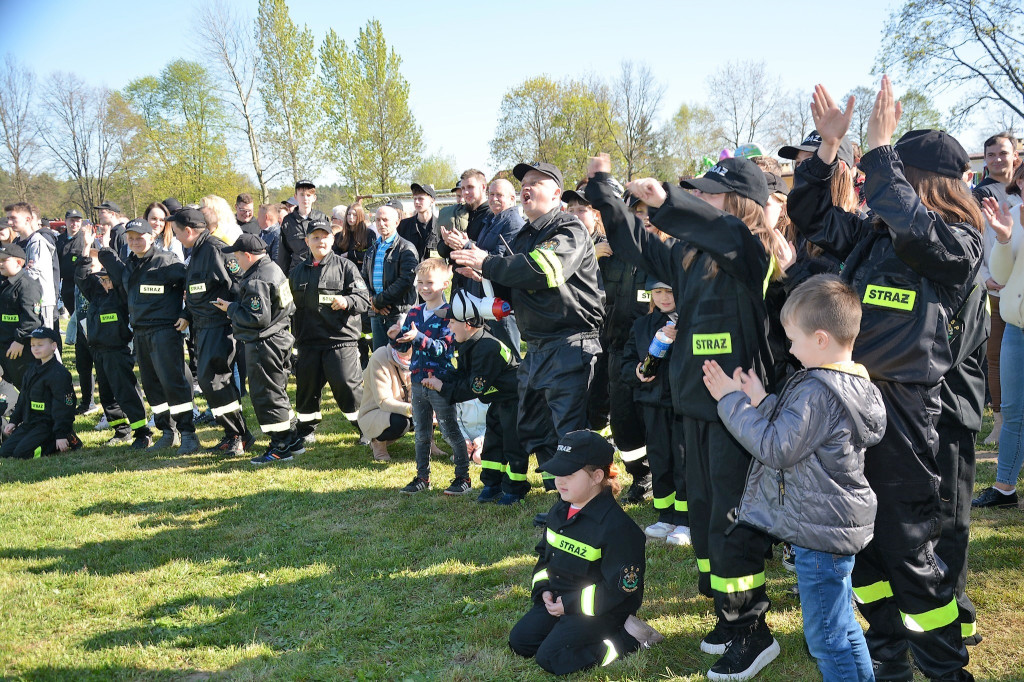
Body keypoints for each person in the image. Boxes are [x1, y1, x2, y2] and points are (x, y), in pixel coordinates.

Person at [788, 77, 979, 682]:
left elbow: (923, 235)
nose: (871, 184)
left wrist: (878, 149)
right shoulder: (874, 232)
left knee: (908, 547)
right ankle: (888, 657)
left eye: (891, 173)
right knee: (861, 543)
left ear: (923, 183)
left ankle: (946, 669)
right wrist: (826, 151)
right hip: (848, 405)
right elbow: (812, 213)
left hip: (905, 415)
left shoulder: (956, 240)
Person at [587, 153, 778, 680]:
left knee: (730, 522)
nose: (702, 201)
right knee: (704, 521)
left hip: (736, 412)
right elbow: (635, 243)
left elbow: (723, 229)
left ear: (737, 204)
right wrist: (604, 188)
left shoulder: (749, 250)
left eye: (711, 194)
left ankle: (753, 632)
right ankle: (726, 615)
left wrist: (669, 199)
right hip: (694, 404)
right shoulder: (690, 258)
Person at [704, 274, 885, 682]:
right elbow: (804, 437)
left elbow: (776, 448)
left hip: (819, 534)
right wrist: (763, 401)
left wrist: (731, 402)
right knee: (842, 625)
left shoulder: (816, 391)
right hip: (835, 524)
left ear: (820, 339)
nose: (789, 348)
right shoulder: (851, 380)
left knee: (826, 638)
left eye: (793, 339)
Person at [450, 162, 605, 497]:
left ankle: (585, 502)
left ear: (556, 193)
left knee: (569, 430)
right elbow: (514, 288)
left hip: (570, 344)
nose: (527, 187)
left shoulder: (569, 229)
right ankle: (563, 494)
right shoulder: (524, 236)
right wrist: (485, 277)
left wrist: (488, 263)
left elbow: (543, 270)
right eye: (525, 182)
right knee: (534, 427)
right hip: (535, 349)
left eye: (537, 181)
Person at [508, 430, 662, 675]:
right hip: (560, 598)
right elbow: (544, 556)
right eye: (558, 473)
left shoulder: (619, 529)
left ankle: (629, 638)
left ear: (597, 476)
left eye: (568, 474)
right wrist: (544, 590)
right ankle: (565, 629)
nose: (559, 481)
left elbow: (619, 590)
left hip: (601, 610)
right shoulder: (559, 512)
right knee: (521, 642)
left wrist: (569, 605)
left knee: (552, 658)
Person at [564, 184, 653, 502]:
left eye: (646, 211)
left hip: (652, 354)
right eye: (636, 212)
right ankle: (641, 476)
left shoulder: (661, 254)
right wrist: (591, 252)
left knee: (653, 418)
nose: (642, 218)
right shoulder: (608, 252)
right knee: (623, 419)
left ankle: (665, 476)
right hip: (612, 349)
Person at [98, 217, 199, 454]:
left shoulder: (167, 262)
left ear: (152, 236)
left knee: (173, 383)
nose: (134, 242)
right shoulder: (131, 265)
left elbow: (193, 285)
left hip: (165, 331)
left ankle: (188, 434)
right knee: (153, 386)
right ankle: (167, 431)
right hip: (141, 332)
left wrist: (187, 314)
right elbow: (110, 264)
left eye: (139, 237)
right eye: (130, 238)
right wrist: (102, 245)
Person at [421, 304, 527, 505]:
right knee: (494, 443)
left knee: (513, 445)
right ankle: (492, 485)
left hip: (514, 402)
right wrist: (441, 375)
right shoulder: (469, 343)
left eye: (452, 322)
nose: (449, 327)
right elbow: (464, 375)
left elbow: (474, 388)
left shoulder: (487, 347)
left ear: (469, 324)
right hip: (498, 400)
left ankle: (515, 490)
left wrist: (443, 387)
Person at [172, 206, 254, 456]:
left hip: (220, 328)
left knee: (216, 380)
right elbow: (198, 290)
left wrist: (232, 314)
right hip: (202, 327)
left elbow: (238, 285)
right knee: (210, 381)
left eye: (176, 232)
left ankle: (237, 436)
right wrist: (186, 315)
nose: (174, 236)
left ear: (188, 231)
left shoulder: (215, 250)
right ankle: (235, 434)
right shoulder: (196, 252)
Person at [389, 258, 471, 495]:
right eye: (420, 282)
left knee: (449, 431)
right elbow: (404, 348)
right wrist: (395, 337)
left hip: (439, 383)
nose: (424, 288)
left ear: (445, 284)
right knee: (422, 433)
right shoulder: (414, 312)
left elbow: (440, 348)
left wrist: (415, 337)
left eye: (430, 283)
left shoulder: (449, 314)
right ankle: (422, 477)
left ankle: (463, 477)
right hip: (417, 381)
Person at [216, 233, 299, 463]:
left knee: (266, 394)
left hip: (264, 343)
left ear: (248, 255)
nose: (235, 261)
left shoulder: (257, 279)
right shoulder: (273, 268)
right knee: (277, 389)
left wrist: (231, 308)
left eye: (237, 256)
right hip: (279, 337)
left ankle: (280, 446)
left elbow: (257, 318)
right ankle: (292, 438)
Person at [289, 218, 370, 446]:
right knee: (306, 390)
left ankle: (365, 427)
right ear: (307, 241)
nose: (320, 241)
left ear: (332, 239)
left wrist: (346, 300)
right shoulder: (297, 272)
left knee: (347, 386)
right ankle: (306, 429)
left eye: (324, 237)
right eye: (315, 237)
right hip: (308, 343)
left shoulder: (346, 267)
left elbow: (363, 300)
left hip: (339, 341)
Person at [622, 279, 688, 545]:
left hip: (683, 405)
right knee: (660, 458)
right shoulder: (642, 325)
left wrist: (680, 338)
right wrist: (636, 371)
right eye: (657, 292)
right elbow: (626, 361)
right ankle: (666, 515)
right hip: (651, 402)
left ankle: (686, 520)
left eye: (669, 291)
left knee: (683, 460)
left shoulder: (691, 323)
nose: (663, 297)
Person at [74, 229, 153, 450]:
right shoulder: (96, 294)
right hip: (98, 351)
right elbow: (81, 277)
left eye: (108, 279)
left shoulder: (122, 294)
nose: (105, 283)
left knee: (125, 392)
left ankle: (142, 432)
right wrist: (86, 247)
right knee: (107, 395)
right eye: (102, 279)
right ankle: (121, 430)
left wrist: (105, 245)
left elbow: (118, 273)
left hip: (118, 350)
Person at [974, 191, 1024, 508]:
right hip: (1015, 330)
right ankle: (1005, 488)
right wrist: (1004, 239)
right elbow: (1002, 276)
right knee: (1013, 411)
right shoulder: (1014, 214)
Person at [976, 133, 1019, 446]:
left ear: (1015, 154)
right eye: (991, 154)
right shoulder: (976, 196)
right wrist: (984, 277)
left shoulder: (1020, 190)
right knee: (998, 357)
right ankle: (1000, 423)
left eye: (1002, 153)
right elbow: (973, 243)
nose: (997, 159)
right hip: (997, 288)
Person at [0, 327, 81, 459]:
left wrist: (60, 434)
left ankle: (64, 439)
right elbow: (23, 398)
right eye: (32, 345)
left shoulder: (59, 374)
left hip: (48, 424)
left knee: (22, 454)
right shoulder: (31, 369)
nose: (35, 348)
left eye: (40, 345)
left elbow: (64, 407)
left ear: (53, 346)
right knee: (5, 451)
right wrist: (14, 421)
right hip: (31, 422)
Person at [362, 203, 417, 351]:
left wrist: (379, 301)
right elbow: (363, 280)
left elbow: (406, 281)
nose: (381, 223)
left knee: (401, 357)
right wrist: (373, 301)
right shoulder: (371, 250)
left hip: (398, 312)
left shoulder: (406, 248)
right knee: (380, 357)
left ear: (397, 222)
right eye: (378, 220)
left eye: (385, 220)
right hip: (376, 312)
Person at [357, 342, 413, 462]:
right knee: (400, 423)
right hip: (376, 411)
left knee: (428, 409)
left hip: (404, 407)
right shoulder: (380, 357)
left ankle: (431, 445)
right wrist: (411, 408)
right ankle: (377, 443)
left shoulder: (419, 354)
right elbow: (383, 401)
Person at [0, 242, 45, 388]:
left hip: (19, 348)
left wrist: (19, 340)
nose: (0, 263)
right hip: (4, 343)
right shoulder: (5, 284)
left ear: (19, 262)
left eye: (4, 260)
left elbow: (32, 319)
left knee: (25, 384)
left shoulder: (27, 285)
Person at [7, 202, 57, 330]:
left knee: (44, 342)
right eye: (8, 218)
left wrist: (16, 272)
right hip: (22, 300)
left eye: (13, 218)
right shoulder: (16, 242)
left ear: (27, 219)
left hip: (40, 302)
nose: (9, 222)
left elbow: (33, 273)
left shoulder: (37, 242)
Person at [277, 180, 329, 275]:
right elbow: (283, 254)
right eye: (302, 195)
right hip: (297, 273)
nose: (305, 198)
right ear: (295, 197)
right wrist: (282, 277)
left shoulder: (322, 218)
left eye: (308, 195)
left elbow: (329, 247)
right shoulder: (288, 221)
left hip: (320, 271)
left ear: (314, 198)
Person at [398, 183, 439, 260]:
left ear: (432, 201)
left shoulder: (441, 226)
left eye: (421, 198)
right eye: (415, 198)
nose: (416, 202)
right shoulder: (404, 226)